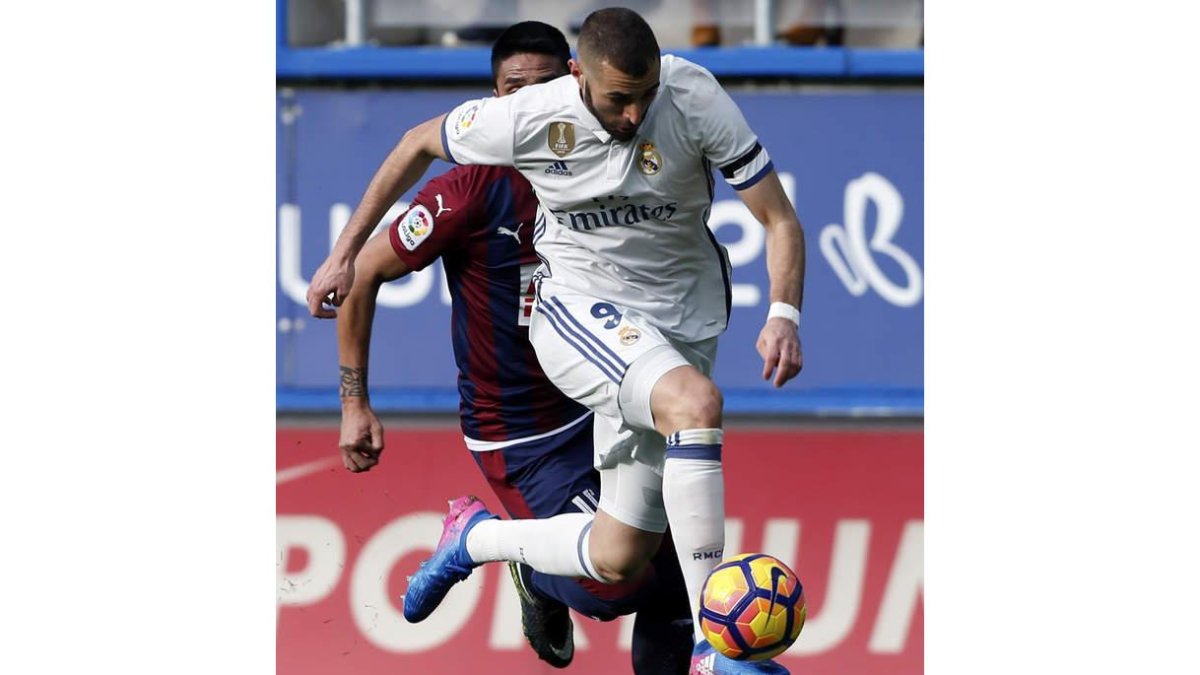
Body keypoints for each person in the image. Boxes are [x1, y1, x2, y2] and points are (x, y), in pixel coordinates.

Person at [307, 8, 806, 674]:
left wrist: (783, 314)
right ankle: (712, 645)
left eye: (645, 94)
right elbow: (414, 144)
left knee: (620, 555)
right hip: (575, 320)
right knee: (695, 404)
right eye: (617, 100)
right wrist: (342, 257)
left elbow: (778, 217)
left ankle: (477, 539)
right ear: (578, 79)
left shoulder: (693, 97)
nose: (634, 115)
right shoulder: (522, 127)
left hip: (680, 323)